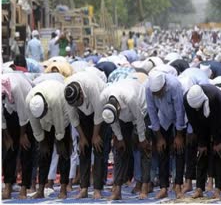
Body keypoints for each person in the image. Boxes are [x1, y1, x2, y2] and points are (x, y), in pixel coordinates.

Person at [100, 79, 151, 200]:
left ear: (118, 108)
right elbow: (112, 121)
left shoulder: (129, 97)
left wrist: (142, 138)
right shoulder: (103, 98)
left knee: (144, 150)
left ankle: (144, 187)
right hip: (123, 118)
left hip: (141, 112)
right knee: (120, 150)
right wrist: (119, 138)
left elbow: (139, 119)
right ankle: (117, 189)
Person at [25, 80, 76, 199]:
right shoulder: (29, 101)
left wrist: (60, 140)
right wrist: (42, 141)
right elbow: (34, 125)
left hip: (62, 116)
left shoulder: (54, 99)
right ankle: (41, 189)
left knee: (64, 152)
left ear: (46, 106)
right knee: (43, 153)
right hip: (44, 123)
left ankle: (63, 189)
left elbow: (59, 124)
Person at [64, 71, 107, 199]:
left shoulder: (91, 86)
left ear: (81, 94)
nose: (76, 105)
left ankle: (98, 189)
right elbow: (73, 118)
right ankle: (83, 188)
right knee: (83, 149)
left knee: (98, 148)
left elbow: (99, 115)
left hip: (100, 109)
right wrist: (82, 137)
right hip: (84, 115)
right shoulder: (68, 92)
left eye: (78, 102)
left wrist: (95, 136)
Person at [145, 72, 186, 199]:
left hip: (179, 118)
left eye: (158, 93)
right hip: (163, 117)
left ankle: (178, 185)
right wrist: (159, 137)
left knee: (179, 150)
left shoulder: (174, 85)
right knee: (162, 149)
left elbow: (180, 110)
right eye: (154, 94)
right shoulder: (148, 88)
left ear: (164, 87)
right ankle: (164, 187)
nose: (156, 95)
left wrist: (179, 136)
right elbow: (152, 111)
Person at [184, 84, 221, 199]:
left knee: (218, 153)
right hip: (200, 123)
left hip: (218, 120)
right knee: (202, 153)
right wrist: (202, 142)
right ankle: (199, 188)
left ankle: (218, 188)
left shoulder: (215, 98)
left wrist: (218, 141)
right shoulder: (186, 99)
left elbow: (220, 122)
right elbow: (193, 121)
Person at [2, 73, 35, 199]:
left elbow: (23, 113)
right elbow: (1, 116)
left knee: (26, 149)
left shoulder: (14, 87)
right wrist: (7, 137)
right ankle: (8, 185)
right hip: (10, 110)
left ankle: (24, 188)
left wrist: (22, 135)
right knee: (9, 150)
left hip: (27, 110)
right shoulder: (2, 92)